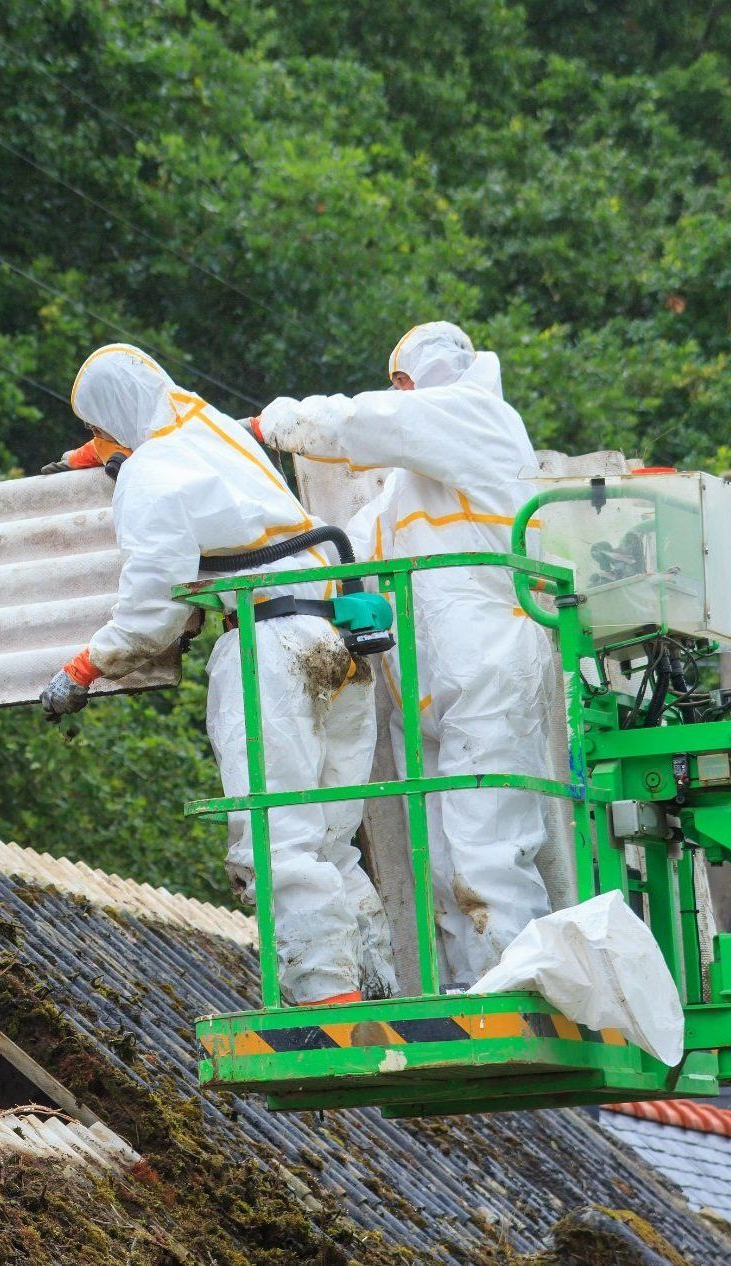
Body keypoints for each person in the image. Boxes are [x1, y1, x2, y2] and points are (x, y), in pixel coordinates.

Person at [40, 343, 396, 1003]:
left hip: (272, 647)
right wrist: (97, 455)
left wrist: (89, 665)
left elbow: (156, 604)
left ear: (113, 420)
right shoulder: (211, 432)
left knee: (276, 839)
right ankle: (378, 994)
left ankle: (330, 1005)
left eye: (96, 429)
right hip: (337, 635)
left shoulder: (154, 468)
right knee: (329, 841)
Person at [253, 321, 552, 985]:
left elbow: (362, 423)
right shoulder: (404, 495)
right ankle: (474, 990)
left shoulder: (478, 416)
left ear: (408, 382)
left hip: (488, 669)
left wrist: (272, 423)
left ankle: (524, 988)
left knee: (489, 849)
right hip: (431, 690)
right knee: (447, 862)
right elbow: (342, 552)